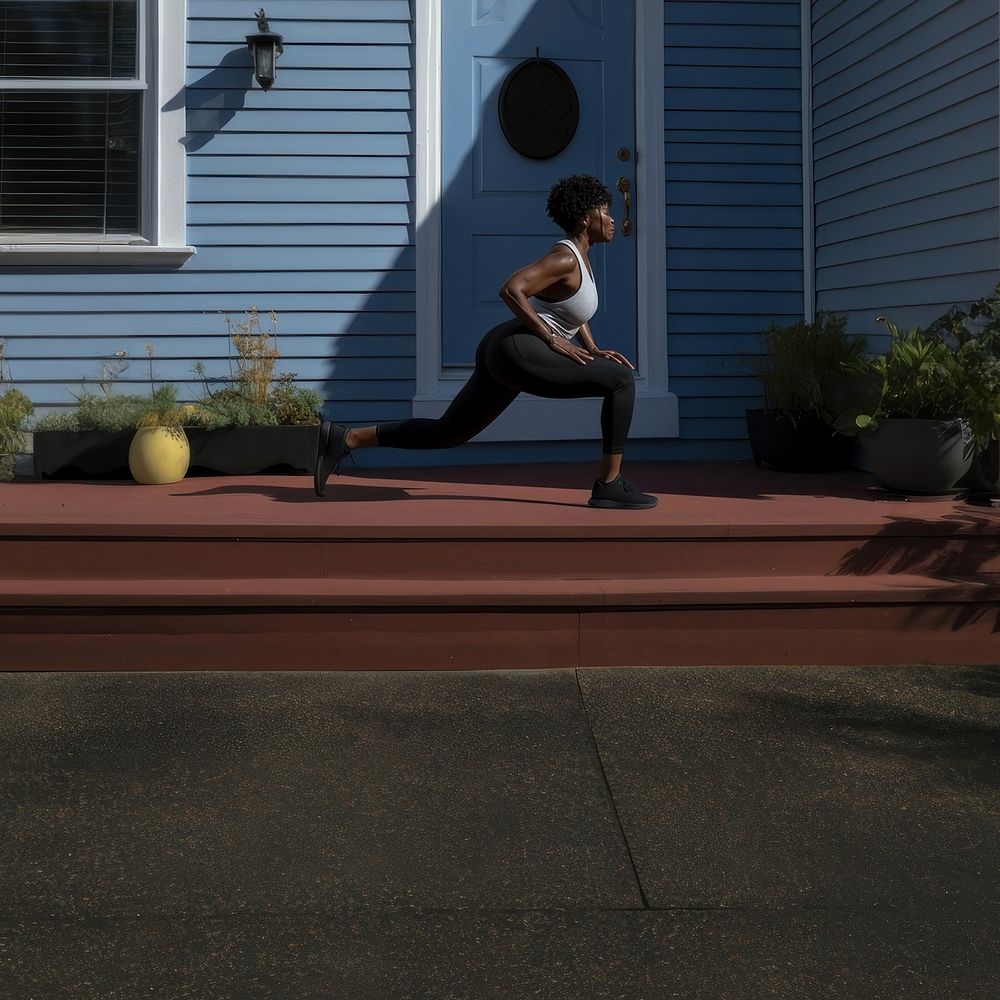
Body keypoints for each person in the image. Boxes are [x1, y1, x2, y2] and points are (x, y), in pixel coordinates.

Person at [314, 174, 657, 509]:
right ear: (585, 218)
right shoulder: (564, 258)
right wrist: (552, 339)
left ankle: (346, 438)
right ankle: (608, 484)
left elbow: (568, 311)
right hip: (517, 348)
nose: (613, 220)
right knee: (621, 381)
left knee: (448, 433)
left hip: (507, 348)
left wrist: (591, 347)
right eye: (606, 212)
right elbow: (512, 289)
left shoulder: (581, 258)